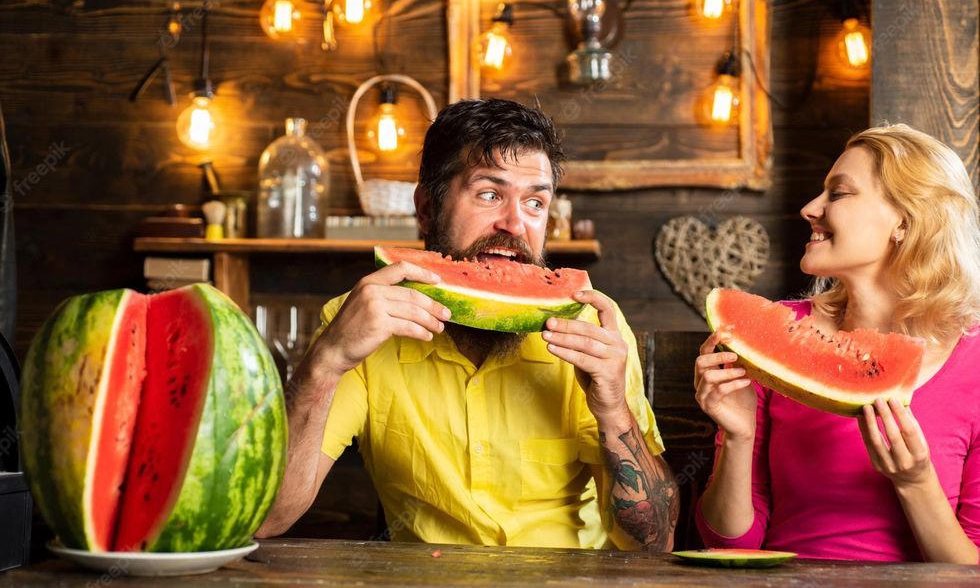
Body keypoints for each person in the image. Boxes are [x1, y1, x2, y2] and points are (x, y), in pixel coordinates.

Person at [257, 98, 678, 550]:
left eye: (535, 202)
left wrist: (613, 408)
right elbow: (266, 520)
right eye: (489, 194)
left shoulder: (595, 329)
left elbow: (656, 543)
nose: (515, 223)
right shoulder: (361, 321)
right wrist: (324, 363)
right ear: (426, 208)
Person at [694, 124, 980, 563]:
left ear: (903, 221)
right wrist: (737, 436)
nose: (810, 208)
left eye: (839, 194)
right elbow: (733, 546)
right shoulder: (775, 338)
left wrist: (916, 483)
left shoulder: (974, 364)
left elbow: (971, 568)